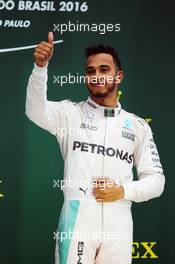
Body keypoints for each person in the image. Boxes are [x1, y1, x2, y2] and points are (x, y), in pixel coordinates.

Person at [25, 32, 165, 264]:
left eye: (104, 70)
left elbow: (156, 181)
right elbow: (35, 110)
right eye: (91, 71)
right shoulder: (69, 113)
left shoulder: (138, 126)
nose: (97, 76)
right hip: (77, 217)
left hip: (118, 220)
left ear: (118, 76)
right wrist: (40, 68)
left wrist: (122, 191)